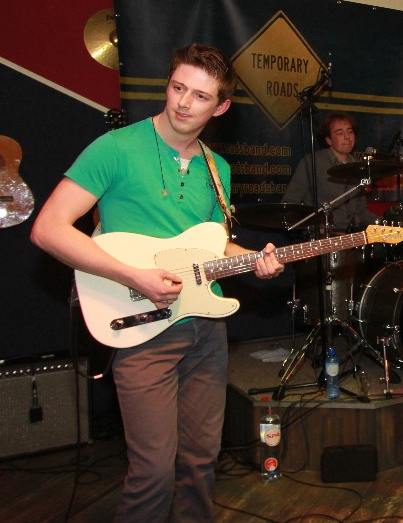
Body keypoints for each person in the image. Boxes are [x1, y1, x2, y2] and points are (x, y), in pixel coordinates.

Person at [30, 44, 285, 521]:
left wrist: (255, 261)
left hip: (205, 329)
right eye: (177, 87)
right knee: (153, 472)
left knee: (200, 462)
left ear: (221, 107)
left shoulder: (218, 169)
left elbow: (212, 246)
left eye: (200, 96)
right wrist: (133, 276)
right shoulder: (116, 148)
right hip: (142, 328)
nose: (183, 103)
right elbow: (48, 229)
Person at [282, 111, 379, 233]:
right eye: (340, 133)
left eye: (350, 131)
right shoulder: (312, 163)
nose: (347, 137)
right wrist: (313, 225)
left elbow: (361, 211)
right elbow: (289, 205)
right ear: (328, 140)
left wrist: (383, 222)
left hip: (353, 236)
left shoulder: (359, 166)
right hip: (324, 236)